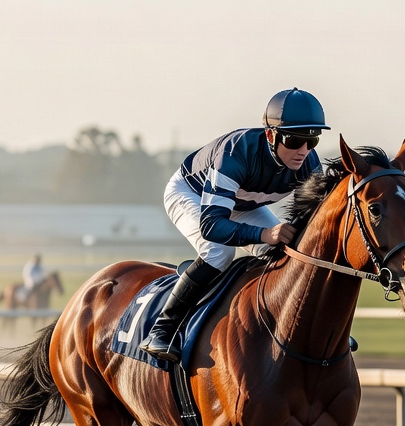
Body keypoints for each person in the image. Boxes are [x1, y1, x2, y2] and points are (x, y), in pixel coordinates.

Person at [140, 88, 328, 362]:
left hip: (242, 204)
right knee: (218, 253)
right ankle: (162, 329)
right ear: (270, 135)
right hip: (192, 194)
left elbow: (309, 225)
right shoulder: (236, 153)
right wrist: (265, 233)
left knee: (286, 255)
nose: (303, 151)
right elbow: (213, 226)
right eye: (295, 139)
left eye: (312, 141)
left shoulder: (308, 163)